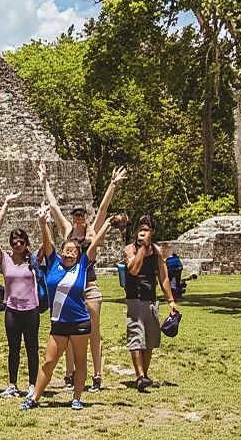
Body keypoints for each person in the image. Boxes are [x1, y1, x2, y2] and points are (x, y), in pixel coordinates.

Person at [22, 207, 117, 411]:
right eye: (66, 251)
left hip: (80, 322)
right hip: (59, 323)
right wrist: (42, 222)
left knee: (81, 362)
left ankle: (77, 397)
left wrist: (108, 223)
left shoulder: (82, 265)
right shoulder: (54, 262)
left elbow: (96, 242)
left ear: (79, 254)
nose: (69, 254)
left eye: (73, 252)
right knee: (49, 361)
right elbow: (48, 242)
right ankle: (34, 398)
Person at [45, 164, 126, 393]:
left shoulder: (92, 232)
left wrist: (113, 183)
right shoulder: (68, 231)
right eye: (76, 214)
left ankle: (97, 375)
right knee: (69, 333)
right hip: (69, 289)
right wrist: (44, 181)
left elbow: (103, 208)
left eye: (81, 214)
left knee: (93, 334)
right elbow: (53, 207)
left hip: (89, 287)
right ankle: (70, 373)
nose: (78, 217)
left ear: (85, 216)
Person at [0, 193, 39, 398]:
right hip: (12, 310)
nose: (17, 244)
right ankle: (13, 384)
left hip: (31, 309)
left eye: (21, 241)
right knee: (13, 348)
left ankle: (33, 384)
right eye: (14, 241)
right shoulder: (5, 259)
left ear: (26, 243)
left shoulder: (32, 261)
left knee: (32, 348)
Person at [123, 215, 178, 391]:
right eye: (140, 230)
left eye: (146, 230)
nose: (142, 233)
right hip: (135, 299)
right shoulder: (130, 249)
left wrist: (171, 300)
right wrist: (142, 248)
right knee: (136, 337)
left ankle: (144, 375)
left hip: (151, 299)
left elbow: (163, 277)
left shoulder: (157, 251)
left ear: (152, 232)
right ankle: (139, 375)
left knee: (149, 340)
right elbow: (133, 270)